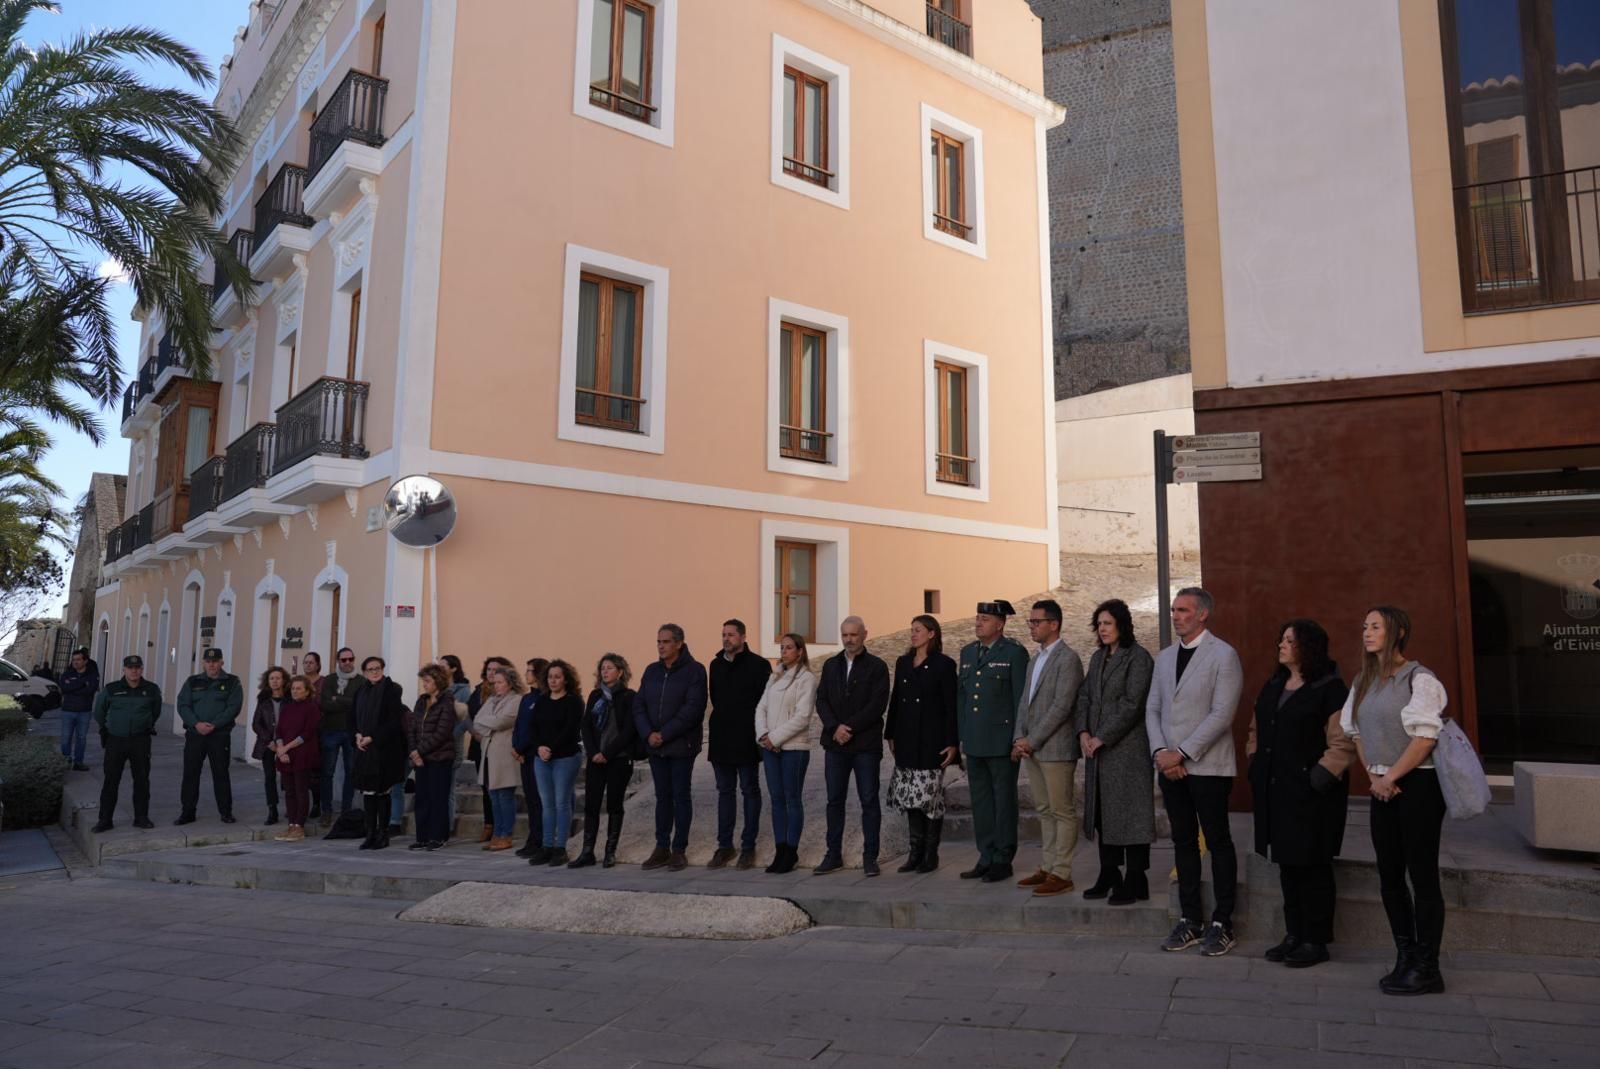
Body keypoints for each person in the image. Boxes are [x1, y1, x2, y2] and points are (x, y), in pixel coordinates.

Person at [1341, 606, 1448, 996]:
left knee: (1422, 876)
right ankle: (1405, 955)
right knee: (1389, 875)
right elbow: (1355, 733)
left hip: (1417, 785)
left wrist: (1392, 777)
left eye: (1375, 627)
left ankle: (1428, 966)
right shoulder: (1364, 680)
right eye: (1364, 626)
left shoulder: (1420, 679)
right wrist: (1374, 777)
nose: (1366, 633)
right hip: (1381, 786)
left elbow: (1424, 739)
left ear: (1398, 632)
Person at [1248, 619, 1353, 969]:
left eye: (1289, 641)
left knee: (1313, 867)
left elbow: (1342, 742)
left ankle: (1315, 940)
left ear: (1307, 647)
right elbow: (1255, 728)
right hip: (1277, 793)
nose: (1281, 644)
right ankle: (1294, 934)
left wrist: (1317, 779)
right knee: (1288, 866)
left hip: (1312, 796)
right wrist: (1254, 761)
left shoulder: (1330, 688)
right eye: (1282, 638)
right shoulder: (1275, 684)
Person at [1146, 587, 1245, 957]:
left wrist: (1182, 754)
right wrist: (1160, 753)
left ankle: (1223, 922)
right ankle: (1190, 918)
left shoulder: (1223, 655)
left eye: (1183, 610)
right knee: (1183, 841)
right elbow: (1152, 708)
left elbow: (1222, 714)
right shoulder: (1165, 657)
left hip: (1207, 766)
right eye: (1173, 610)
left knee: (1217, 841)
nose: (1176, 616)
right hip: (1170, 767)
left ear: (1202, 614)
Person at [1074, 599, 1156, 905]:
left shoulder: (1138, 658)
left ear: (1122, 624)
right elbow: (1084, 696)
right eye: (1099, 624)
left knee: (1131, 815)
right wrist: (1083, 732)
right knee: (1102, 815)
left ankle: (1137, 877)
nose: (1102, 629)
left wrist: (1102, 737)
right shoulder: (1097, 658)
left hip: (1127, 752)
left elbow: (1132, 704)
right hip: (1098, 753)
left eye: (1108, 623)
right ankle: (1109, 872)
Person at [1010, 599, 1085, 897]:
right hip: (1033, 747)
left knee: (1061, 810)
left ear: (1054, 624)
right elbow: (1024, 702)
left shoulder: (1068, 659)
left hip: (1055, 748)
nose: (1032, 627)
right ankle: (1048, 865)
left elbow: (1062, 706)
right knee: (1043, 809)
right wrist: (1019, 737)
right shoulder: (1034, 659)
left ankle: (1062, 872)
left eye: (1036, 622)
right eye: (1030, 622)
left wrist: (1033, 739)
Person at [957, 600, 1031, 884]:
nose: (978, 623)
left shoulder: (1013, 653)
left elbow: (1019, 701)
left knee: (1003, 802)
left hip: (1001, 743)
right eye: (977, 618)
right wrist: (962, 735)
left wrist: (1017, 739)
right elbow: (962, 698)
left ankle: (1003, 858)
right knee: (981, 802)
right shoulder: (967, 652)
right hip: (975, 742)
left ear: (1000, 624)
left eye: (985, 619)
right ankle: (985, 855)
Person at [814, 616, 890, 876]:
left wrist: (850, 728)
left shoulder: (877, 667)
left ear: (864, 635)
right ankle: (832, 854)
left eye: (853, 635)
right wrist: (835, 727)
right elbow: (821, 699)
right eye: (845, 635)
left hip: (865, 746)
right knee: (834, 800)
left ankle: (870, 857)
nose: (849, 639)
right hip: (835, 745)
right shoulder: (830, 665)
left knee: (869, 800)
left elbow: (877, 705)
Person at [885, 615, 958, 873]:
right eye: (911, 630)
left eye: (918, 630)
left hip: (932, 741)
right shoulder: (903, 662)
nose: (913, 634)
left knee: (929, 798)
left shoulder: (944, 664)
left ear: (931, 634)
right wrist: (890, 733)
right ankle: (914, 853)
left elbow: (951, 707)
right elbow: (895, 700)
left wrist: (952, 742)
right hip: (906, 740)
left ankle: (930, 853)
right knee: (909, 797)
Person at [633, 624, 707, 872]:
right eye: (658, 642)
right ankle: (661, 846)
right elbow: (639, 705)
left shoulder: (695, 671)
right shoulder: (651, 671)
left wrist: (664, 734)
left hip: (680, 745)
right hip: (655, 746)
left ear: (678, 643)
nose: (661, 646)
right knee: (662, 797)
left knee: (680, 796)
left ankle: (679, 849)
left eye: (665, 642)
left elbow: (693, 710)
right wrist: (648, 734)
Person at [707, 619, 769, 870]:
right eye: (723, 634)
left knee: (749, 790)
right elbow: (717, 699)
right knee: (724, 792)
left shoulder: (759, 665)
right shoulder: (715, 664)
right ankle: (725, 845)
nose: (726, 638)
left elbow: (762, 703)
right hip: (722, 738)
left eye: (731, 635)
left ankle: (748, 846)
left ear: (743, 637)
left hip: (746, 738)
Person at [755, 633, 817, 875]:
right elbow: (761, 708)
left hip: (793, 749)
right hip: (770, 748)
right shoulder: (774, 676)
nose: (784, 652)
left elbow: (802, 717)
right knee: (776, 799)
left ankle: (791, 851)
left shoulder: (806, 679)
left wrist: (776, 737)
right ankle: (780, 849)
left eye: (789, 648)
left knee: (792, 800)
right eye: (782, 648)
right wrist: (764, 736)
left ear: (800, 651)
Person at [574, 653, 638, 868]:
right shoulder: (595, 696)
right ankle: (587, 851)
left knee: (614, 804)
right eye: (602, 668)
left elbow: (628, 730)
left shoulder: (629, 696)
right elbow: (585, 726)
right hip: (595, 758)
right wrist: (593, 752)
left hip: (618, 758)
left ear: (620, 672)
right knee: (591, 804)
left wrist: (607, 753)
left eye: (609, 668)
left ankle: (610, 851)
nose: (605, 671)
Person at [90, 655, 161, 832]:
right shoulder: (111, 689)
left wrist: (145, 724)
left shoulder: (151, 689)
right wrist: (109, 727)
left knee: (142, 780)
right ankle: (105, 819)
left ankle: (141, 817)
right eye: (130, 667)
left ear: (142, 669)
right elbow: (99, 712)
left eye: (137, 667)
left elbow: (156, 711)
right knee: (111, 781)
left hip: (140, 740)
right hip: (116, 740)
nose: (134, 670)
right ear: (124, 670)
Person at [175, 647, 243, 825]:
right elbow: (183, 705)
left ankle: (226, 812)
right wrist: (196, 724)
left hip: (219, 735)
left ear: (221, 662)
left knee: (220, 773)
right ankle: (187, 812)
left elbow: (233, 707)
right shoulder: (192, 681)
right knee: (191, 774)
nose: (212, 664)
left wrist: (214, 725)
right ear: (204, 663)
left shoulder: (232, 682)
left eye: (215, 661)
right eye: (208, 661)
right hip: (195, 734)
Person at [531, 659, 585, 865]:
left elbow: (570, 730)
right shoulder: (542, 700)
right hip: (541, 757)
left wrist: (550, 748)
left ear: (566, 679)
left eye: (557, 677)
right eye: (550, 677)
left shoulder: (574, 702)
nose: (553, 681)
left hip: (565, 757)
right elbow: (533, 727)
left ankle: (560, 847)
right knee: (547, 804)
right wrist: (539, 747)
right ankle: (547, 846)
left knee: (561, 803)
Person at [352, 656, 408, 850]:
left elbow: (393, 721)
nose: (374, 672)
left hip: (384, 749)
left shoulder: (392, 690)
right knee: (368, 793)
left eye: (377, 668)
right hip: (364, 749)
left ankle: (383, 833)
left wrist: (373, 737)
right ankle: (370, 833)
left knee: (383, 792)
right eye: (370, 669)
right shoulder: (361, 691)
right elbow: (353, 716)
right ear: (365, 672)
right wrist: (358, 734)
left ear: (383, 669)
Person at [471, 663, 525, 851]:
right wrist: (489, 723)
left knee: (505, 796)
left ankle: (506, 834)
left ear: (510, 683)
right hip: (488, 754)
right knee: (493, 796)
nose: (497, 686)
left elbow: (503, 722)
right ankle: (497, 833)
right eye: (495, 683)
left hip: (504, 756)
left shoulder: (516, 700)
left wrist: (488, 724)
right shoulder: (491, 700)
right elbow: (477, 720)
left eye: (500, 682)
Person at [408, 663, 461, 850]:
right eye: (423, 681)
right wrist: (414, 752)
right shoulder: (421, 701)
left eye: (428, 681)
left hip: (439, 758)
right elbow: (413, 728)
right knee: (422, 798)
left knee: (438, 798)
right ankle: (422, 836)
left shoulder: (447, 703)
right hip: (421, 759)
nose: (425, 684)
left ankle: (438, 837)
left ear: (438, 681)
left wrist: (418, 751)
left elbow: (442, 733)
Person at [270, 676, 322, 842]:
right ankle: (291, 824)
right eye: (293, 688)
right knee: (289, 791)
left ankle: (299, 825)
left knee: (301, 791)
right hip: (285, 756)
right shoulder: (287, 708)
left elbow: (307, 733)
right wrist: (280, 749)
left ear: (307, 691)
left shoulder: (312, 708)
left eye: (299, 688)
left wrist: (287, 747)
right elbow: (279, 731)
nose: (295, 691)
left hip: (302, 755)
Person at [467, 656, 513, 843]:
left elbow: (499, 721)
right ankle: (491, 827)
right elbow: (474, 717)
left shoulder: (512, 698)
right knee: (488, 790)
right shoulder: (480, 693)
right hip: (481, 747)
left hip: (500, 749)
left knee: (501, 792)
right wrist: (479, 728)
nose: (492, 674)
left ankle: (504, 831)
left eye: (496, 670)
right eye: (489, 670)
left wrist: (484, 726)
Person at [318, 647, 361, 826]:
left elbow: (358, 704)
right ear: (338, 661)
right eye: (343, 660)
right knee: (327, 772)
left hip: (351, 731)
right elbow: (324, 704)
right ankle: (326, 811)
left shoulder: (361, 681)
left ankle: (346, 810)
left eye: (350, 659)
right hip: (331, 730)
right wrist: (345, 702)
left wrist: (338, 699)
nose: (347, 663)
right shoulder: (329, 680)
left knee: (351, 772)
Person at [512, 658, 550, 860]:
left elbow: (533, 730)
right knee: (531, 800)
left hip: (534, 754)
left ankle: (542, 839)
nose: (526, 674)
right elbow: (519, 725)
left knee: (539, 800)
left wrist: (522, 746)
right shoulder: (526, 698)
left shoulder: (543, 698)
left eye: (529, 671)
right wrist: (515, 747)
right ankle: (533, 839)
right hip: (523, 756)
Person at [251, 666, 290, 827]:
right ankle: (272, 809)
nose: (275, 681)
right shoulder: (263, 699)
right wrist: (269, 741)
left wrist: (283, 743)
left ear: (284, 680)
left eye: (278, 678)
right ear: (268, 681)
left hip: (287, 744)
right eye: (272, 678)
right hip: (268, 745)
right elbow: (256, 724)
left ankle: (290, 807)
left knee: (288, 777)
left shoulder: (290, 699)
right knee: (269, 777)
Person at [440, 654, 473, 831]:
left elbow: (464, 720)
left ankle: (447, 825)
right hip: (435, 744)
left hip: (452, 743)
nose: (440, 668)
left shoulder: (463, 691)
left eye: (444, 665)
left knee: (448, 788)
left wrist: (449, 735)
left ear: (453, 668)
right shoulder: (438, 688)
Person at [58, 647, 99, 772]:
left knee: (81, 738)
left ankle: (78, 762)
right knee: (66, 738)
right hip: (68, 711)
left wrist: (73, 687)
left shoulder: (92, 675)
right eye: (74, 660)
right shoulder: (67, 674)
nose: (75, 662)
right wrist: (82, 684)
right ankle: (66, 761)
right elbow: (64, 688)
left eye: (78, 659)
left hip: (84, 711)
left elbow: (90, 690)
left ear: (85, 661)